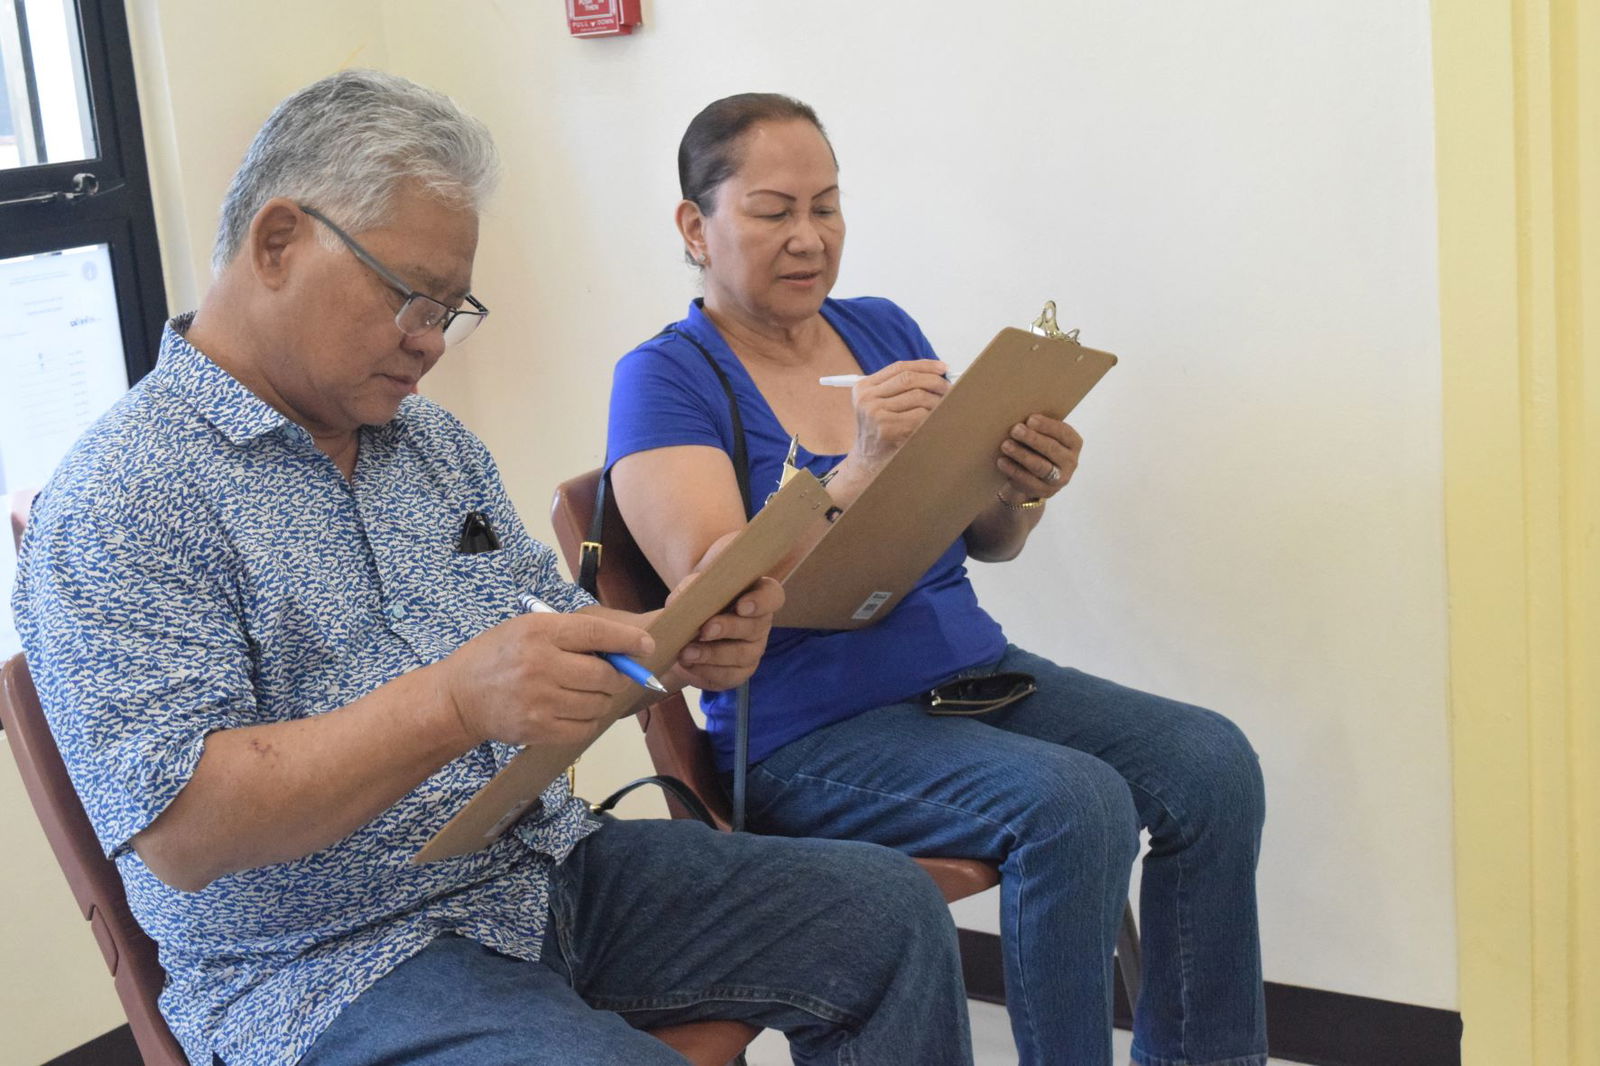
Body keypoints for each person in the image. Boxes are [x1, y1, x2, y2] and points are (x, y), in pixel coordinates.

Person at [12, 72, 974, 1066]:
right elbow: (182, 829)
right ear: (277, 242)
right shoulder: (122, 500)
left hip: (544, 874)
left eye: (449, 307)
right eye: (407, 297)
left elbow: (557, 635)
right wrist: (453, 703)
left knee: (888, 914)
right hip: (328, 965)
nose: (428, 340)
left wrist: (673, 652)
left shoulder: (429, 445)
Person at [606, 93, 1268, 1066]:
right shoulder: (666, 376)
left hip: (965, 675)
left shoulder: (881, 328)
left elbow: (986, 538)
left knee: (1211, 762)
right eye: (773, 209)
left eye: (826, 207)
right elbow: (712, 583)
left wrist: (1019, 487)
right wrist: (860, 466)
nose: (808, 237)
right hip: (801, 729)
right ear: (693, 227)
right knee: (1072, 804)